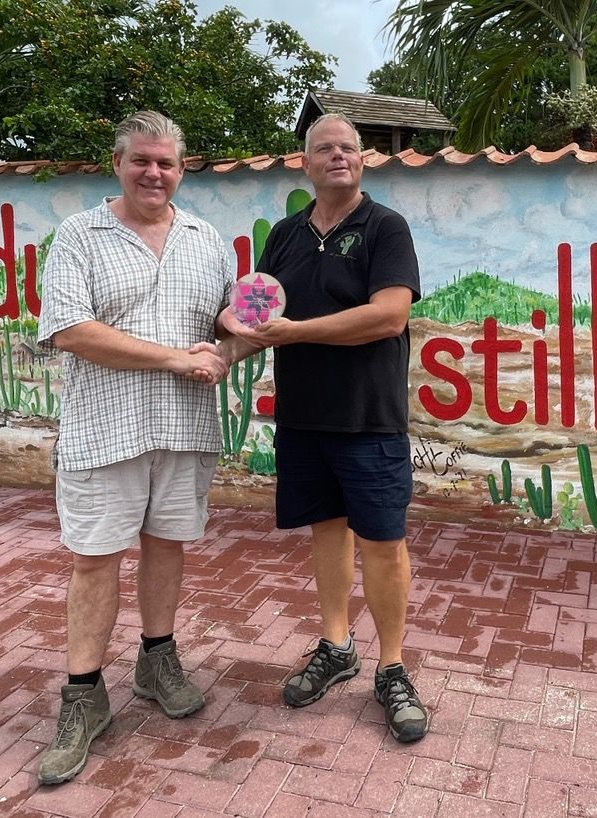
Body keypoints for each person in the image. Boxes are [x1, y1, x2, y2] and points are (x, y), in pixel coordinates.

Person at [35, 111, 232, 785]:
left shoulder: (209, 241)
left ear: (182, 169)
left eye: (167, 163)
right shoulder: (79, 236)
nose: (154, 173)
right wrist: (177, 360)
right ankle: (83, 698)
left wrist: (230, 348)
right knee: (94, 561)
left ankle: (157, 658)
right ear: (116, 163)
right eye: (141, 160)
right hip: (104, 429)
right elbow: (71, 330)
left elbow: (228, 324)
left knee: (167, 545)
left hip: (183, 428)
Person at [220, 113, 428, 742]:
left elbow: (388, 316)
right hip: (304, 416)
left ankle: (392, 667)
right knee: (327, 531)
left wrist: (295, 333)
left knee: (383, 541)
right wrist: (217, 353)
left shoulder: (385, 227)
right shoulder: (284, 234)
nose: (337, 156)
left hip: (368, 417)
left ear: (363, 161)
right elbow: (256, 317)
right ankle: (336, 647)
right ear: (304, 164)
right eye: (323, 149)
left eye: (348, 148)